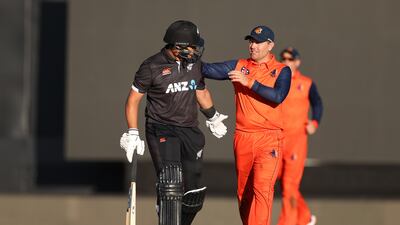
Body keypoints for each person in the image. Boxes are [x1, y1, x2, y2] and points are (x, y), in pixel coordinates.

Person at [119, 20, 229, 225]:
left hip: (189, 129)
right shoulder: (151, 66)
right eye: (192, 46)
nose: (196, 50)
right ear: (178, 47)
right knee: (171, 181)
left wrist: (213, 116)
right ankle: (165, 207)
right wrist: (132, 132)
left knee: (194, 195)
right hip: (161, 128)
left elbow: (200, 90)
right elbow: (133, 101)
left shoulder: (195, 64)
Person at [202, 25, 292, 225]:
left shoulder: (281, 70)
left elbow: (278, 96)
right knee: (244, 193)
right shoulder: (240, 65)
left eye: (258, 42)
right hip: (243, 137)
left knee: (263, 189)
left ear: (270, 45)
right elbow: (208, 69)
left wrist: (249, 82)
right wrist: (186, 58)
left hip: (269, 138)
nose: (253, 46)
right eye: (251, 41)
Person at [276, 47, 323, 225]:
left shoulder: (306, 82)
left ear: (297, 62)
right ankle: (305, 217)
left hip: (296, 140)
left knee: (289, 186)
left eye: (290, 59)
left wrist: (315, 122)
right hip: (277, 139)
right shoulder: (276, 79)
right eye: (283, 58)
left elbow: (317, 103)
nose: (286, 61)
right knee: (282, 182)